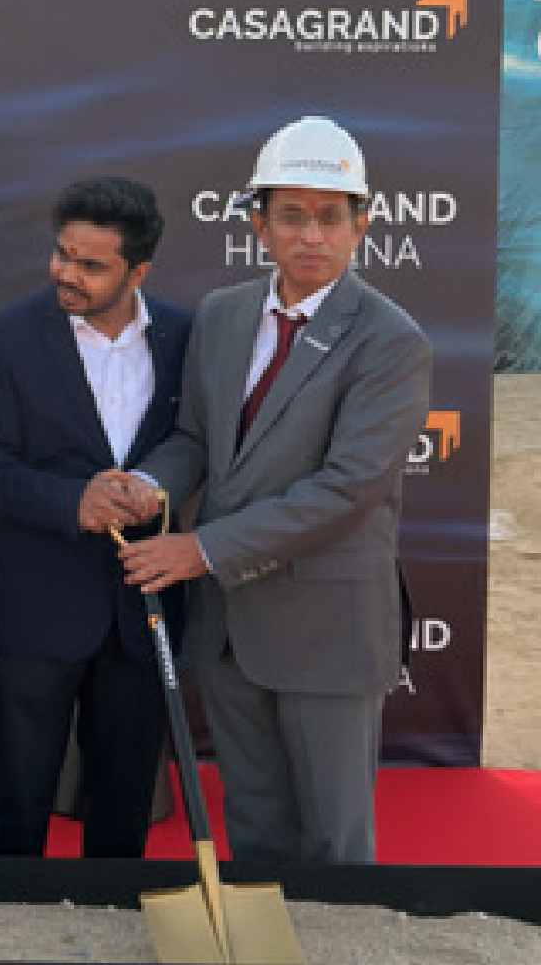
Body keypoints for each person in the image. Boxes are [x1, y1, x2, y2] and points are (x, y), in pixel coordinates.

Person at [118, 116, 432, 863]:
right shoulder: (223, 314)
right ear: (258, 223)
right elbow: (195, 440)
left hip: (327, 629)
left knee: (334, 844)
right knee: (254, 830)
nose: (311, 236)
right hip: (230, 630)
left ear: (362, 224)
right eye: (291, 215)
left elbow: (347, 490)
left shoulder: (391, 341)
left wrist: (201, 550)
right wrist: (146, 485)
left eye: (331, 216)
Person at [0, 177, 192, 857]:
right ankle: (9, 913)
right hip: (36, 602)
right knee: (19, 803)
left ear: (137, 272)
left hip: (143, 605)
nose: (67, 274)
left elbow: (196, 444)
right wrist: (71, 503)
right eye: (62, 254)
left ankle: (109, 912)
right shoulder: (2, 337)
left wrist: (154, 487)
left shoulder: (185, 337)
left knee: (124, 806)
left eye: (91, 265)